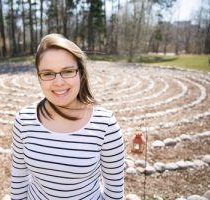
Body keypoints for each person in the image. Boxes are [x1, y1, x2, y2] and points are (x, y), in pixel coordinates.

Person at [10, 33, 124, 200]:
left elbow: (114, 191)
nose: (58, 82)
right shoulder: (23, 121)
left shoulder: (105, 125)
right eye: (48, 73)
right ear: (39, 77)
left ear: (81, 73)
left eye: (68, 71)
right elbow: (19, 180)